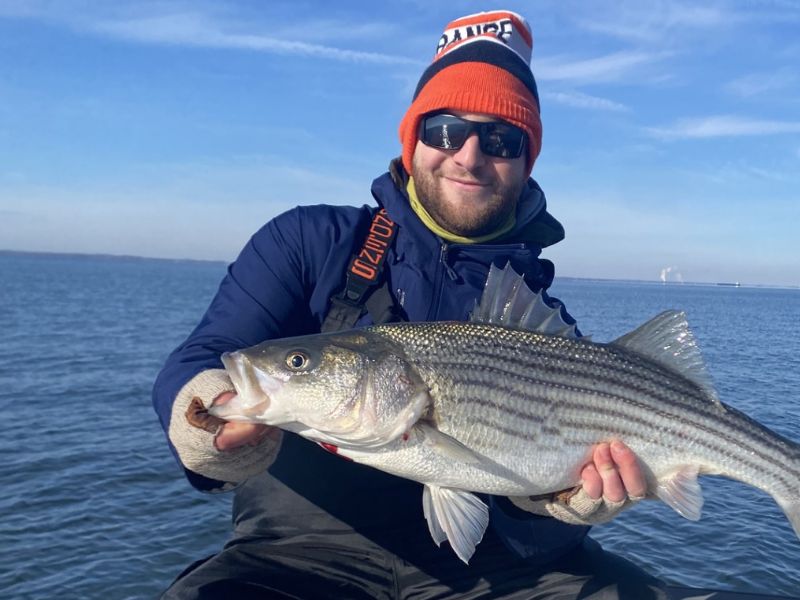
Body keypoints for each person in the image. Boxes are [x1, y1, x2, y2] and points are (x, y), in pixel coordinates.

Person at [153, 9, 666, 599]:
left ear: (527, 162)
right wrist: (204, 415)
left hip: (499, 573)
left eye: (501, 139)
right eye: (444, 129)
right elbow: (210, 353)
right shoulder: (309, 243)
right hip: (297, 561)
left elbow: (539, 523)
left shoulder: (541, 320)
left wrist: (568, 501)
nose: (468, 155)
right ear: (413, 138)